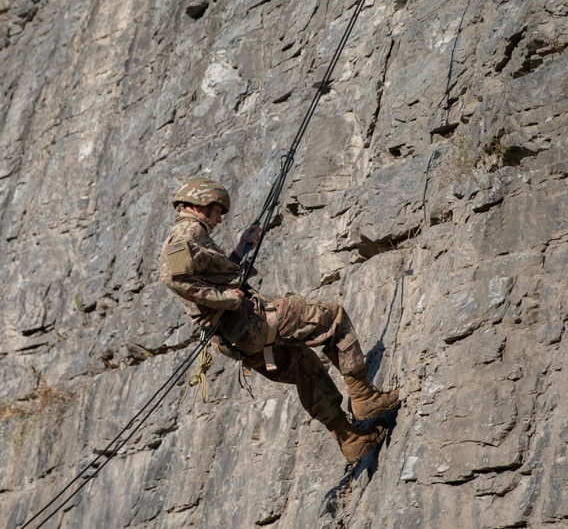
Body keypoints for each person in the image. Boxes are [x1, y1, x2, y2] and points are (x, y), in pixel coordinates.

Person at [159, 176, 400, 464]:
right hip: (251, 321)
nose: (220, 219)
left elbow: (211, 276)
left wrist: (240, 249)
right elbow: (174, 279)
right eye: (218, 211)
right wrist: (228, 300)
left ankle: (351, 440)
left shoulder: (192, 234)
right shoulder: (187, 232)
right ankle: (364, 397)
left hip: (235, 338)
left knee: (304, 367)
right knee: (332, 317)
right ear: (203, 205)